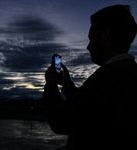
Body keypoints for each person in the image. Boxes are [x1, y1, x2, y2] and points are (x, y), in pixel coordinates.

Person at [43, 5, 137, 150]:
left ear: (105, 35)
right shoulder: (127, 72)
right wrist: (67, 86)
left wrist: (50, 83)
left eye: (91, 38)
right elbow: (89, 109)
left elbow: (60, 120)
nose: (88, 47)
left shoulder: (108, 76)